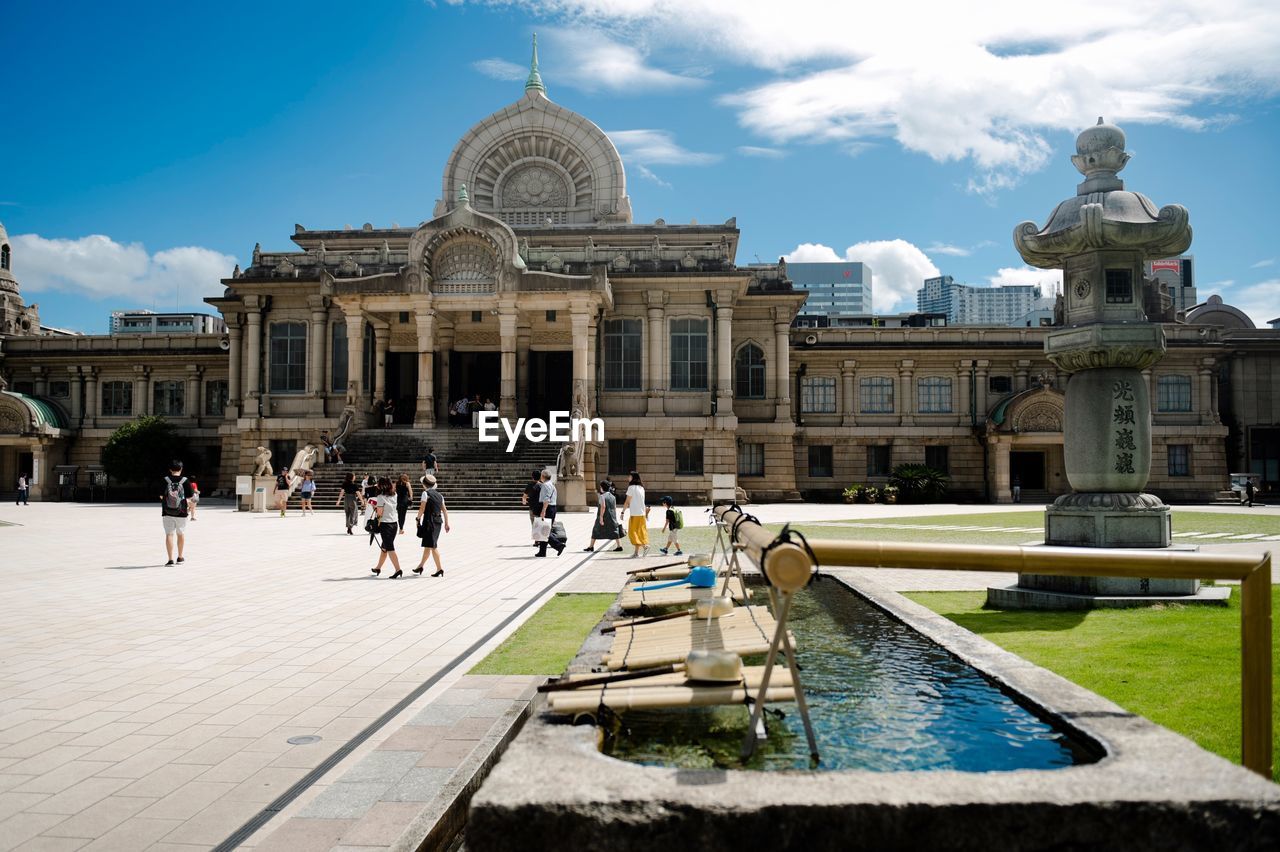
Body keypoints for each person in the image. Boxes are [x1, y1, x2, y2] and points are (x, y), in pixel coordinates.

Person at [160, 459, 195, 566]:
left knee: (169, 534)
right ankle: (180, 557)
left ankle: (170, 560)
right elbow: (190, 497)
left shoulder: (165, 480)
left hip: (167, 511)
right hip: (182, 512)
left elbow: (161, 496)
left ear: (170, 470)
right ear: (181, 469)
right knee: (180, 534)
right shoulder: (185, 480)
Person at [414, 473, 451, 576]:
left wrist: (418, 518)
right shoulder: (440, 495)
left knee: (433, 546)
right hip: (438, 522)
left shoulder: (425, 494)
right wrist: (446, 523)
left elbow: (422, 508)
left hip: (429, 522)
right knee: (428, 545)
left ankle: (439, 569)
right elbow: (445, 510)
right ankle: (420, 566)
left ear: (424, 484)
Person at [369, 476, 403, 578]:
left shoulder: (380, 497)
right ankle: (378, 567)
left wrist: (374, 507)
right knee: (384, 547)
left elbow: (379, 513)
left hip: (385, 525)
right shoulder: (395, 495)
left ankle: (398, 569)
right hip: (394, 524)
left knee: (390, 548)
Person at [585, 479, 625, 552]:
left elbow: (603, 506)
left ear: (602, 487)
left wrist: (601, 517)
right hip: (612, 517)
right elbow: (614, 507)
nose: (600, 488)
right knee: (614, 531)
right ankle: (619, 546)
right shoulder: (613, 497)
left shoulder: (602, 496)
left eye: (600, 487)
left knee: (595, 530)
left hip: (603, 516)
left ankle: (591, 547)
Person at [621, 471, 650, 558]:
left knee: (632, 532)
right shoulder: (641, 488)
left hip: (635, 514)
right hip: (641, 514)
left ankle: (645, 546)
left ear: (633, 478)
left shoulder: (631, 488)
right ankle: (636, 553)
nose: (628, 478)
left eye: (629, 476)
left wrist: (622, 512)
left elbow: (627, 501)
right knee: (640, 532)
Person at [535, 470, 563, 557]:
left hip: (547, 508)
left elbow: (546, 499)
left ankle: (559, 545)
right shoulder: (552, 485)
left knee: (544, 530)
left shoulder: (545, 485)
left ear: (543, 476)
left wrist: (543, 511)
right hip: (552, 508)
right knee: (545, 529)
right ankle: (542, 551)